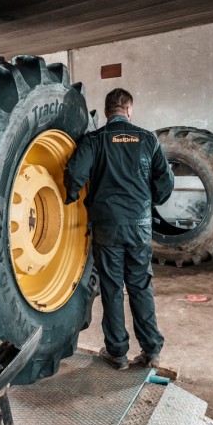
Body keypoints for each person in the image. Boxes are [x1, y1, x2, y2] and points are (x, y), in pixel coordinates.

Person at [64, 88, 174, 370]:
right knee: (140, 286)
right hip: (139, 226)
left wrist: (71, 197)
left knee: (112, 288)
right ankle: (151, 352)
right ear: (129, 109)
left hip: (107, 226)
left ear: (107, 110)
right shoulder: (148, 139)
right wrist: (150, 201)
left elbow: (75, 173)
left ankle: (118, 353)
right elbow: (165, 181)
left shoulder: (95, 140)